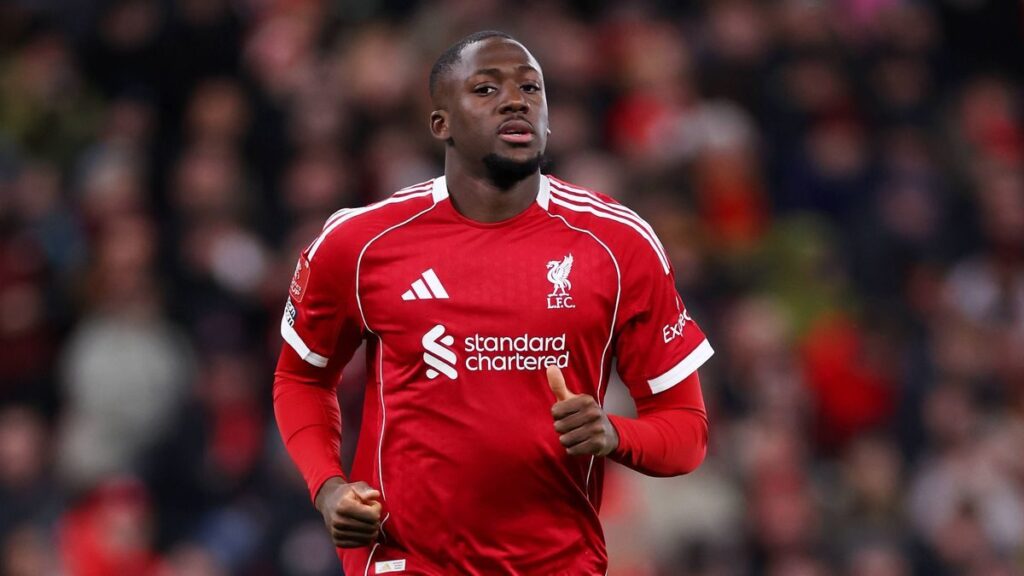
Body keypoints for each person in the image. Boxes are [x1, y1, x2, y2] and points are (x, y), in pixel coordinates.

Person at [273, 30, 714, 575]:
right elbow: (301, 378)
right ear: (441, 123)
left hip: (558, 564)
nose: (515, 100)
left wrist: (614, 434)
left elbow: (687, 432)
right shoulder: (360, 243)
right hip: (406, 562)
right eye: (486, 89)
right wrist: (328, 488)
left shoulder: (618, 243)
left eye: (532, 88)